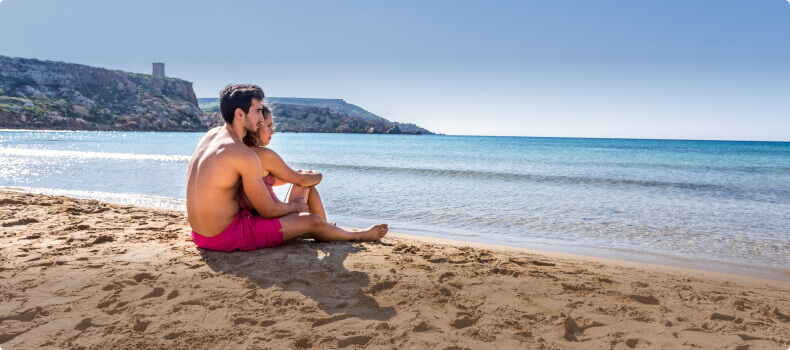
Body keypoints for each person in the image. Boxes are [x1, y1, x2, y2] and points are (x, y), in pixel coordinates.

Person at [186, 84, 387, 253]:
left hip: (200, 233)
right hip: (226, 236)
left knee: (306, 203)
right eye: (257, 111)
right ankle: (357, 235)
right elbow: (268, 210)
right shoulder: (243, 155)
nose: (260, 118)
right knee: (311, 220)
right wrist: (296, 207)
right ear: (240, 114)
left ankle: (322, 230)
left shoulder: (211, 136)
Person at [239, 105, 331, 225]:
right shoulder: (263, 155)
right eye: (268, 126)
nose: (272, 132)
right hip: (275, 219)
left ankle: (324, 225)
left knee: (305, 180)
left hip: (259, 216)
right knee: (307, 184)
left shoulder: (241, 152)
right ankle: (324, 227)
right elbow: (302, 181)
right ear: (255, 126)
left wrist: (293, 175)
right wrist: (318, 176)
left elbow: (268, 181)